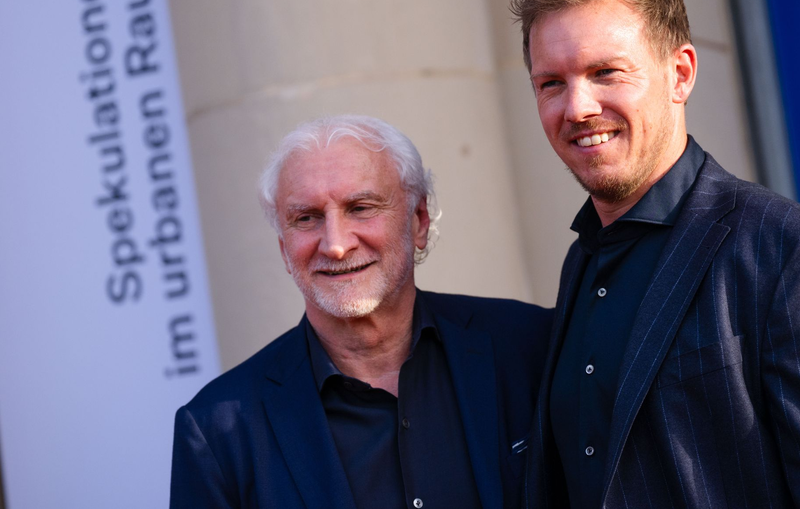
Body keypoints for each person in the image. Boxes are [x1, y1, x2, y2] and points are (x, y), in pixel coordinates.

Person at [510, 0, 800, 508]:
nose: (578, 107)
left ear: (680, 73)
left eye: (605, 73)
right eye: (551, 83)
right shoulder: (581, 265)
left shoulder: (780, 247)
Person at [169, 115, 552, 509]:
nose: (335, 245)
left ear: (418, 221)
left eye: (361, 207)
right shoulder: (219, 432)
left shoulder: (532, 346)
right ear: (284, 249)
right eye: (306, 218)